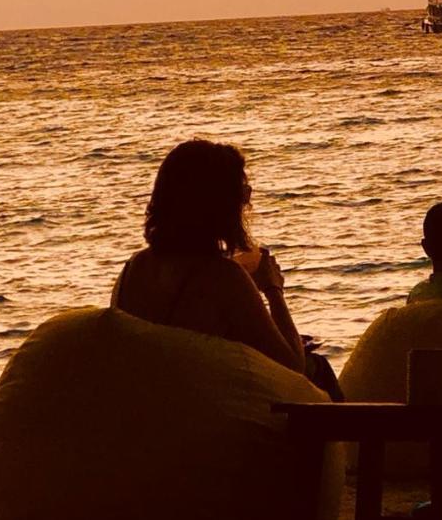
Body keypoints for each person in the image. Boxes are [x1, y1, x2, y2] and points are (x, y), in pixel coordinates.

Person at [112, 139, 305, 373]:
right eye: (242, 192)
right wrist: (273, 290)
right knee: (318, 369)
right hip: (200, 405)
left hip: (148, 402)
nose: (247, 202)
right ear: (220, 205)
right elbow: (294, 367)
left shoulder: (133, 269)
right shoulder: (225, 279)